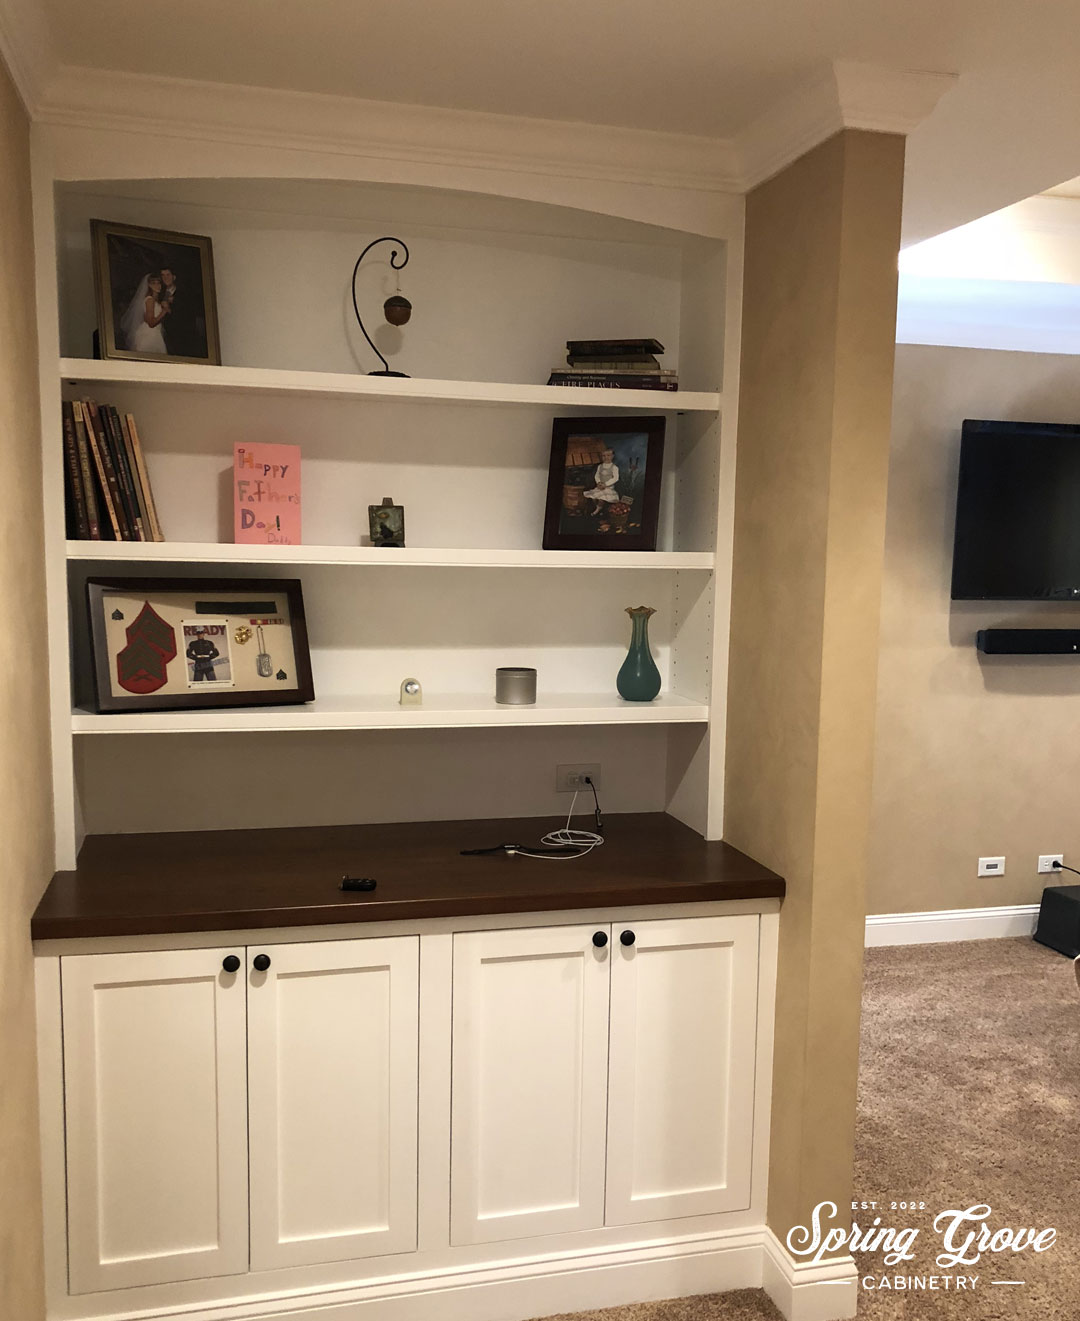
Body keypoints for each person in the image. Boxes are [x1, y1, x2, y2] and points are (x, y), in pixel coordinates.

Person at [159, 264, 206, 358]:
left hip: (184, 336)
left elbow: (188, 314)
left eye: (168, 275)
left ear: (174, 277)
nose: (165, 278)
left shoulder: (184, 293)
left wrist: (169, 308)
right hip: (168, 335)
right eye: (163, 275)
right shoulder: (160, 293)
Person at [120, 274, 170, 354]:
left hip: (155, 333)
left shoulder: (156, 300)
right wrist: (164, 311)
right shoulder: (150, 300)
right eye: (154, 283)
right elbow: (151, 323)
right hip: (149, 335)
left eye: (158, 283)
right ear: (149, 285)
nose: (157, 285)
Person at [584, 447, 621, 516]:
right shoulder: (600, 466)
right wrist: (599, 482)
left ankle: (597, 510)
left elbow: (615, 478)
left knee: (601, 498)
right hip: (600, 486)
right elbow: (597, 475)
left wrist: (606, 484)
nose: (606, 457)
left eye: (608, 455)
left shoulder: (614, 467)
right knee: (594, 497)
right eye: (603, 456)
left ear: (612, 456)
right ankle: (598, 508)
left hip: (608, 487)